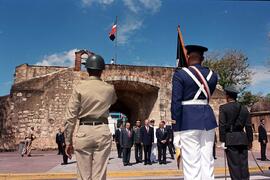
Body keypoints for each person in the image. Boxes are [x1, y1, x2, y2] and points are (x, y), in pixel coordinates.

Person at [64, 54, 117, 180]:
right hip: (102, 131)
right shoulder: (110, 88)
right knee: (99, 175)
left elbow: (70, 117)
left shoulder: (79, 88)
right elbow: (113, 100)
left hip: (84, 131)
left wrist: (68, 141)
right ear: (102, 70)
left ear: (87, 69)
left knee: (83, 176)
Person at [171, 45, 218, 180]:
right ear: (202, 58)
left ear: (188, 57)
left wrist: (176, 130)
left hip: (188, 120)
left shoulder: (180, 74)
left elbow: (176, 104)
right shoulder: (213, 76)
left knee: (192, 166)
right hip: (208, 120)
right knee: (207, 162)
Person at [219, 86, 253, 180]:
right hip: (242, 138)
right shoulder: (244, 108)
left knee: (234, 166)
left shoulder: (223, 108)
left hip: (230, 138)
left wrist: (222, 140)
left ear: (227, 96)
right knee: (244, 164)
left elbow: (222, 125)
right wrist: (250, 140)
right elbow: (248, 126)